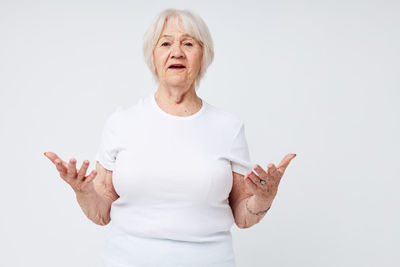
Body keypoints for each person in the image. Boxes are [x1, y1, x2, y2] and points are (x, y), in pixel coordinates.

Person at [44, 8, 296, 267]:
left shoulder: (228, 127)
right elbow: (101, 213)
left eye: (188, 43)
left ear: (203, 56)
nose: (177, 52)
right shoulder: (121, 123)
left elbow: (243, 215)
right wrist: (83, 192)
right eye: (165, 43)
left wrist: (264, 198)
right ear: (153, 57)